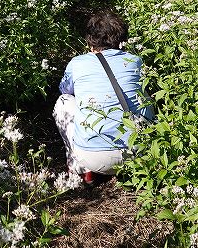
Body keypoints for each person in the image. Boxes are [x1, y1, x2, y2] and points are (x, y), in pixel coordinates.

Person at [53, 10, 154, 184]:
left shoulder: (77, 63)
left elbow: (65, 90)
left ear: (90, 40)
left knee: (63, 102)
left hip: (93, 157)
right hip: (139, 151)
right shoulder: (135, 60)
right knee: (144, 94)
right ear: (122, 39)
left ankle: (81, 168)